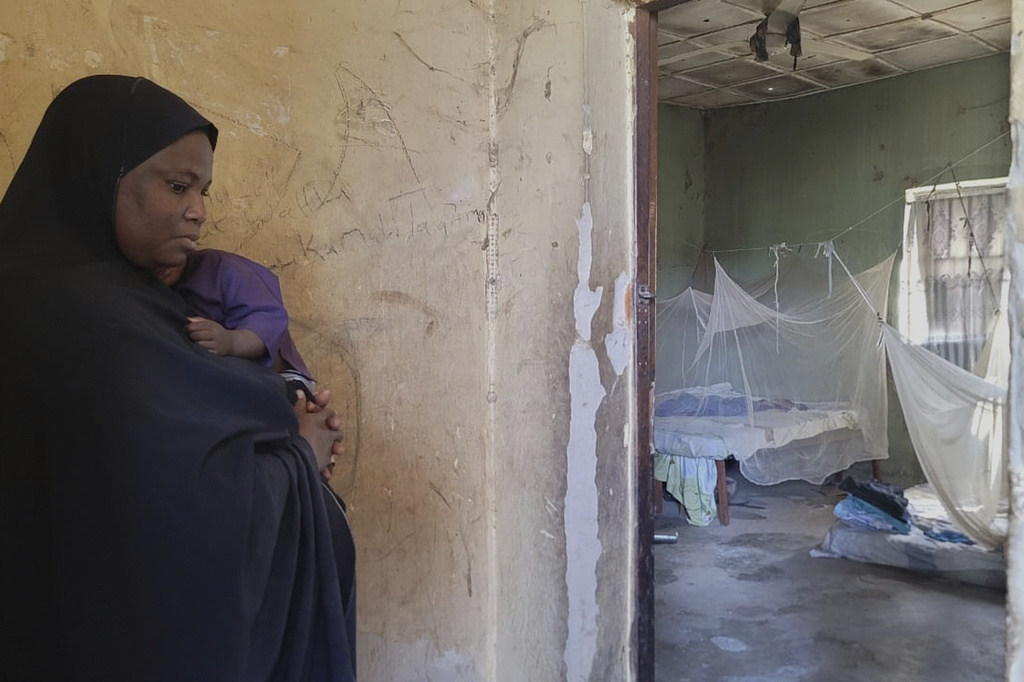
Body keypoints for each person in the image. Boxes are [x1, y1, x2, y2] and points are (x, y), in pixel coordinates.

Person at [0, 75, 356, 680]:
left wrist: (285, 408)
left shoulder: (123, 297)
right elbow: (173, 514)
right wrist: (299, 451)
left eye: (203, 189)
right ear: (95, 175)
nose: (199, 210)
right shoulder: (82, 315)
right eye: (176, 185)